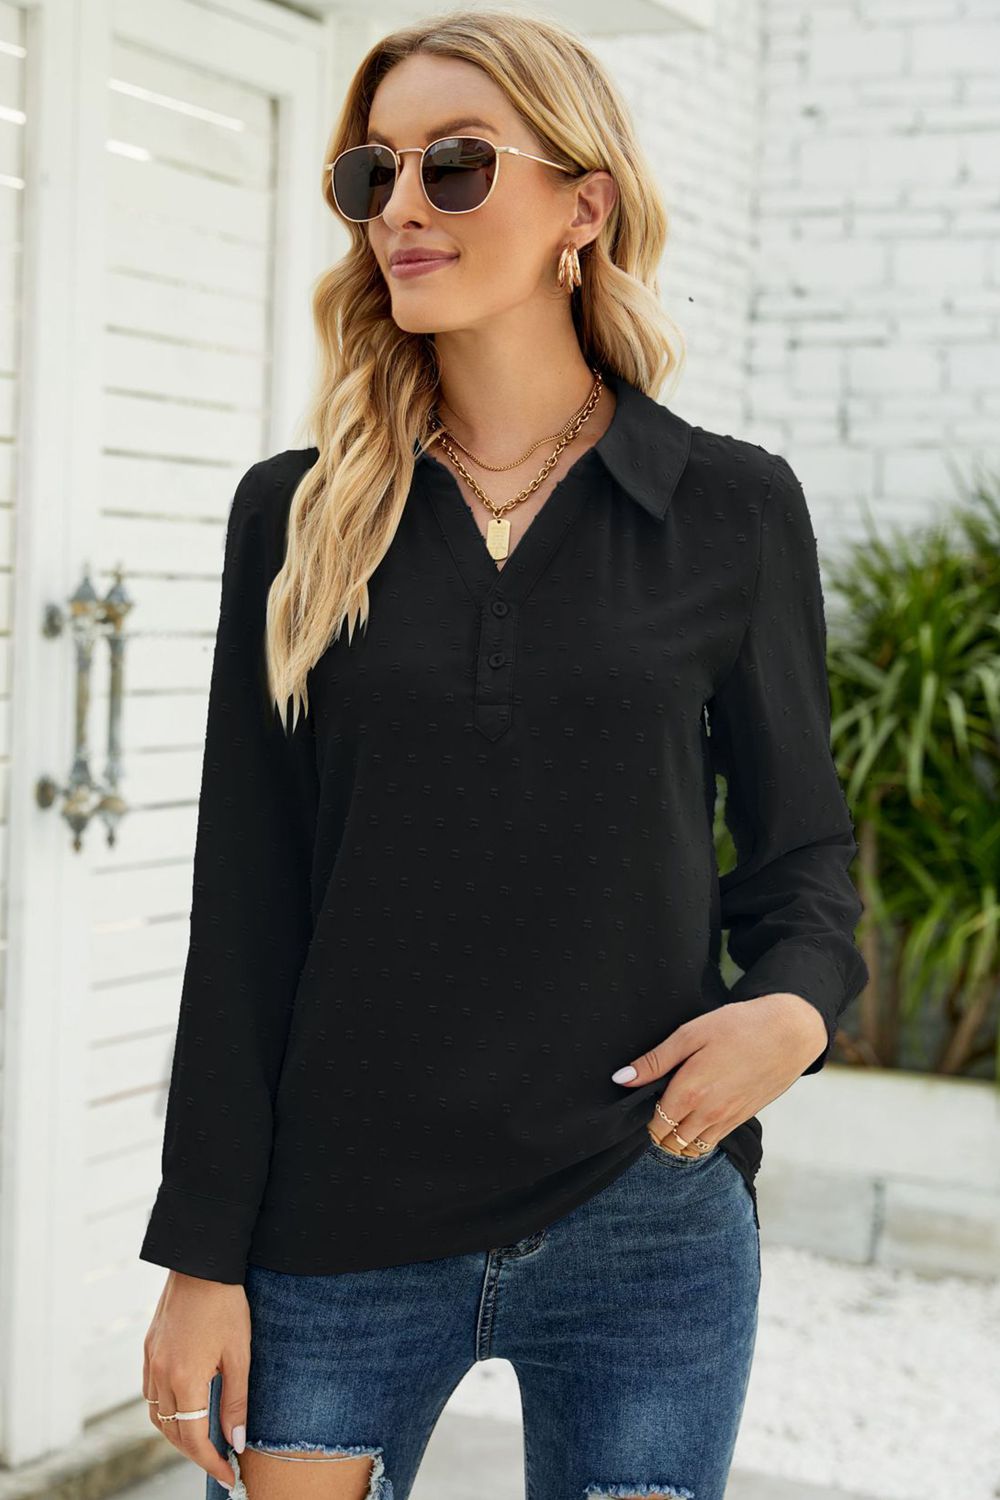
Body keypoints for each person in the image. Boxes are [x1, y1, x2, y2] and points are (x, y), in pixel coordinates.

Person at [139, 10, 869, 1500]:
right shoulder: (296, 516)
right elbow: (247, 905)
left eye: (456, 165)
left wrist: (795, 1010)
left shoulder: (728, 510)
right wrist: (201, 1253)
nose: (401, 207)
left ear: (582, 207)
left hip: (644, 1215)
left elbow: (802, 854)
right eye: (373, 173)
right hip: (335, 1221)